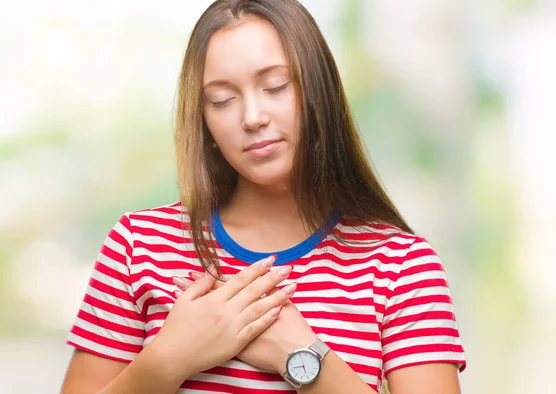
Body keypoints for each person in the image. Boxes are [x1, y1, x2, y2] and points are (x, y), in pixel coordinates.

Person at [60, 0, 466, 393]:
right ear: (204, 121)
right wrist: (171, 357)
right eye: (221, 99)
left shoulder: (401, 265)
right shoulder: (139, 245)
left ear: (317, 90)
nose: (252, 117)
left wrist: (300, 354)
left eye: (274, 86)